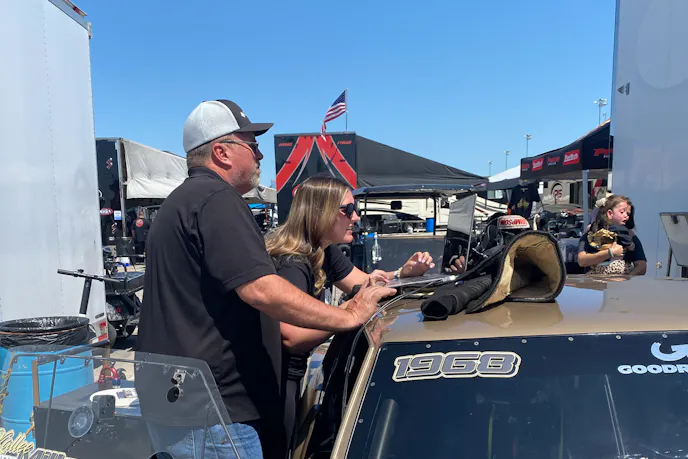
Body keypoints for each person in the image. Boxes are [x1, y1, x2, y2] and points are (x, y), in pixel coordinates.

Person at [137, 99, 396, 459]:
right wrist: (349, 315)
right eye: (252, 145)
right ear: (221, 152)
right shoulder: (216, 198)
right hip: (214, 414)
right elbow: (262, 288)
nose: (260, 155)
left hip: (181, 404)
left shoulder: (180, 202)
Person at [264, 176, 439, 455]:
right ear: (321, 212)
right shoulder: (292, 263)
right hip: (273, 383)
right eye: (347, 210)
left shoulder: (323, 249)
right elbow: (291, 336)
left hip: (289, 375)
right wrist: (348, 314)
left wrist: (403, 274)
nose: (355, 217)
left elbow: (362, 284)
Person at [577, 194, 646, 275]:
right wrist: (610, 253)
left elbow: (641, 266)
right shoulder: (591, 234)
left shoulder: (630, 236)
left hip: (621, 280)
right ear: (610, 213)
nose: (626, 216)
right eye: (622, 212)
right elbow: (582, 261)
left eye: (628, 214)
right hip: (594, 280)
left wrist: (627, 277)